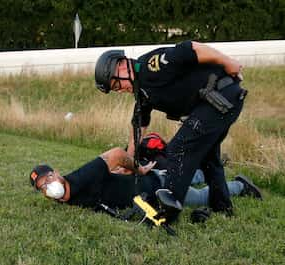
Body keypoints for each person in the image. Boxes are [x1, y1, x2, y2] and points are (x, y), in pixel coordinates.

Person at [94, 41, 247, 222]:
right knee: (208, 158)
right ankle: (222, 208)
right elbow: (138, 128)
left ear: (121, 67)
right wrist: (130, 164)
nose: (120, 91)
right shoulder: (142, 91)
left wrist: (228, 62)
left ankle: (167, 214)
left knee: (178, 148)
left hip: (223, 95)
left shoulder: (151, 66)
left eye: (117, 86)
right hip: (215, 104)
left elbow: (192, 48)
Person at [29, 147, 261, 213]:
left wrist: (138, 170)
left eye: (49, 177)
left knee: (199, 197)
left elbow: (117, 154)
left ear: (56, 172)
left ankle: (241, 185)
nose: (49, 185)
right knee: (190, 177)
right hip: (152, 182)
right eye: (43, 186)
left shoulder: (80, 177)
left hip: (155, 187)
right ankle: (211, 168)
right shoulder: (64, 199)